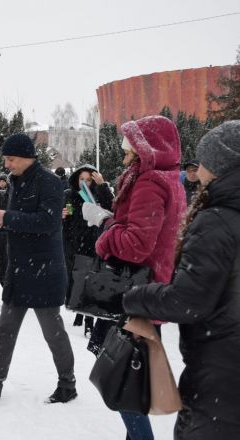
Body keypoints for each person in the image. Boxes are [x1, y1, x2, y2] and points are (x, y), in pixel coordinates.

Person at [123, 121, 240, 440]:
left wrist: (135, 297)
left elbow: (188, 301)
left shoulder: (217, 220)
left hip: (223, 375)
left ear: (219, 167)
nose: (197, 172)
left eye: (203, 163)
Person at [0, 133, 77, 404]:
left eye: (10, 159)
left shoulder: (49, 182)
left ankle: (67, 384)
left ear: (26, 157)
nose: (7, 164)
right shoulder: (13, 182)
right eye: (6, 159)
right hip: (19, 268)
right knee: (6, 327)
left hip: (44, 269)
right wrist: (2, 222)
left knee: (52, 331)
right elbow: (22, 220)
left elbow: (48, 222)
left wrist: (8, 217)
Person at [92, 116, 186, 440]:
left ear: (146, 149)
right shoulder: (170, 179)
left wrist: (105, 232)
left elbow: (136, 245)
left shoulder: (150, 181)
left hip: (137, 294)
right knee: (128, 375)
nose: (124, 156)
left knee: (122, 378)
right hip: (150, 290)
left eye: (128, 149)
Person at [61, 164, 113, 337]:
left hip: (95, 242)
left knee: (91, 281)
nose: (84, 183)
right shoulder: (69, 195)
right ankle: (79, 312)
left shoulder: (98, 194)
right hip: (75, 243)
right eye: (81, 179)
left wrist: (102, 185)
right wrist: (62, 216)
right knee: (78, 280)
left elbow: (112, 209)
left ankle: (89, 321)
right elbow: (66, 221)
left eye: (88, 180)